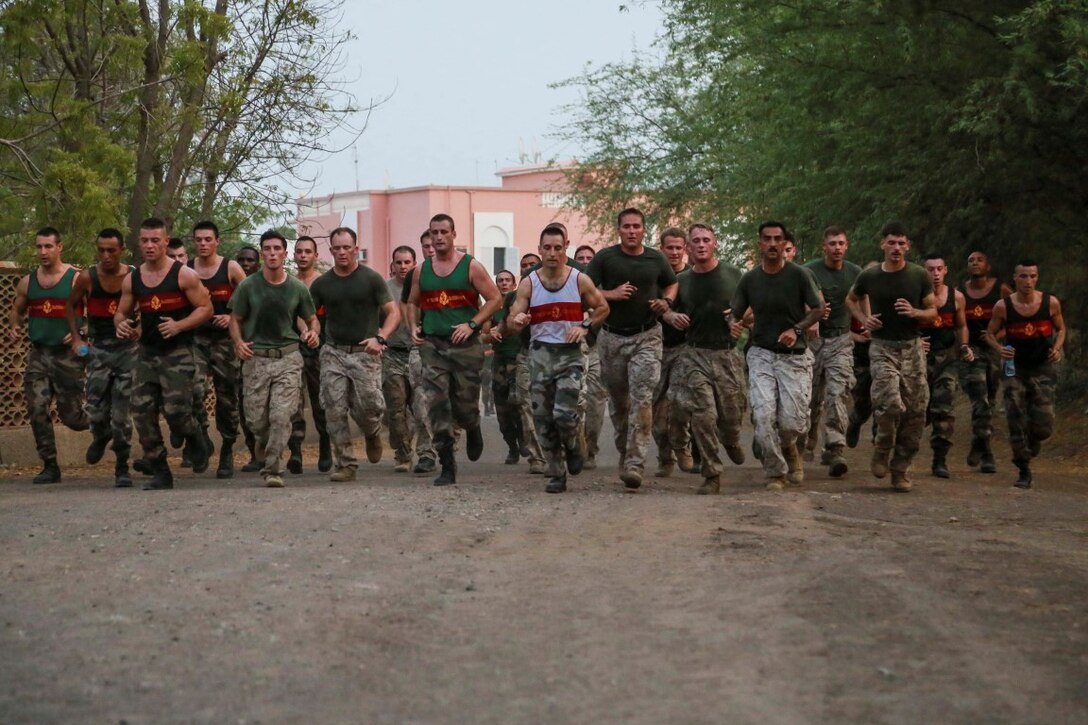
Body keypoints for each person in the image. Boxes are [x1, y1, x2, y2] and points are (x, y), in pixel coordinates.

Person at [504, 225, 609, 492]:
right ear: (540, 250)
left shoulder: (578, 279)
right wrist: (518, 320)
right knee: (542, 416)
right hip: (539, 354)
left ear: (565, 250)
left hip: (570, 353)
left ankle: (573, 445)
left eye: (558, 248)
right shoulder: (530, 282)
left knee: (564, 414)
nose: (552, 253)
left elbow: (602, 307)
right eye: (547, 248)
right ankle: (556, 471)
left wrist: (585, 325)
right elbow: (512, 320)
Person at [114, 217, 213, 489]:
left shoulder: (183, 275)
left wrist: (179, 325)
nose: (149, 246)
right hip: (147, 354)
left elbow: (206, 308)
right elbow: (121, 312)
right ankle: (160, 470)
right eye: (144, 241)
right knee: (142, 413)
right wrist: (122, 325)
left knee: (177, 412)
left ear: (165, 242)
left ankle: (196, 438)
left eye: (155, 240)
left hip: (178, 353)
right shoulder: (133, 279)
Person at [407, 213, 502, 485]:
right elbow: (412, 302)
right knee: (435, 405)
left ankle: (472, 426)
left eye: (443, 232)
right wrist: (414, 325)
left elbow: (495, 299)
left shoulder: (471, 267)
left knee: (464, 405)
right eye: (434, 232)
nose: (438, 237)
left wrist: (472, 324)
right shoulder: (421, 270)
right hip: (434, 347)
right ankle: (447, 465)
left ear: (453, 234)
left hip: (465, 347)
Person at [729, 221, 823, 489]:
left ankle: (791, 449)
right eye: (767, 239)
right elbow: (736, 311)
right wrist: (733, 323)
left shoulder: (799, 275)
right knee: (763, 414)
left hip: (794, 355)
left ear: (784, 244)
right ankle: (775, 472)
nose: (772, 244)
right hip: (761, 353)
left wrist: (797, 329)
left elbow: (818, 308)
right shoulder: (750, 279)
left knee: (793, 421)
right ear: (760, 243)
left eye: (777, 239)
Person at [846, 222, 936, 491]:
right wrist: (864, 319)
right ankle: (882, 447)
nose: (896, 248)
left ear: (907, 246)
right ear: (882, 244)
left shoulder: (919, 275)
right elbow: (850, 299)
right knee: (889, 403)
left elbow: (933, 312)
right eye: (892, 242)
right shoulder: (870, 276)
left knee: (916, 412)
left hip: (912, 347)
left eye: (901, 243)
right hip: (882, 347)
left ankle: (901, 469)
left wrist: (915, 313)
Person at [229, 230, 319, 487]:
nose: (272, 253)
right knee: (257, 420)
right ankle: (262, 442)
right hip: (256, 359)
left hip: (288, 358)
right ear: (262, 254)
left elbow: (312, 319)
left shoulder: (297, 288)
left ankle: (273, 469)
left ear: (285, 253)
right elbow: (235, 319)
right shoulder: (248, 286)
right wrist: (238, 343)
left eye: (277, 249)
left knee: (281, 415)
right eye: (267, 249)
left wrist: (313, 333)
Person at [309, 227, 401, 481]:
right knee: (333, 408)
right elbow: (309, 315)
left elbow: (394, 313)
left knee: (369, 406)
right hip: (333, 352)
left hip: (365, 352)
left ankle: (371, 433)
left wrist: (380, 338)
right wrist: (313, 331)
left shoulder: (371, 279)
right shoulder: (322, 284)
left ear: (355, 249)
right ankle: (346, 464)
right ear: (330, 251)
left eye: (346, 247)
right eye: (336, 248)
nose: (341, 252)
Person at [662, 224, 745, 494]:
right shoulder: (681, 281)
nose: (700, 245)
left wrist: (739, 320)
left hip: (727, 355)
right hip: (694, 354)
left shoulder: (734, 275)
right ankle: (711, 473)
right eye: (695, 241)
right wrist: (672, 316)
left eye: (706, 240)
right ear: (688, 248)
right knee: (704, 416)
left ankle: (731, 440)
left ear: (715, 244)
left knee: (731, 416)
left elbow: (751, 309)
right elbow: (664, 309)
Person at [9, 227, 90, 483]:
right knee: (37, 408)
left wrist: (83, 332)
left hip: (68, 356)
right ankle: (50, 466)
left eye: (48, 246)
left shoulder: (77, 279)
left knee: (72, 418)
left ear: (59, 247)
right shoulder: (28, 282)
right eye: (39, 247)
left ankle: (103, 421)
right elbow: (17, 310)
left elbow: (98, 312)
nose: (43, 252)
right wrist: (14, 326)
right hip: (39, 354)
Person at [65, 228, 137, 486]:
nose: (106, 256)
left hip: (127, 350)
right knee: (95, 410)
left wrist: (139, 330)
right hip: (98, 350)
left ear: (122, 251)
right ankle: (100, 435)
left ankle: (122, 466)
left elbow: (148, 306)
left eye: (112, 250)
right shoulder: (88, 277)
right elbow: (70, 305)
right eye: (101, 250)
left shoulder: (132, 276)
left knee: (121, 413)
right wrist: (76, 338)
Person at [986, 260, 1065, 489]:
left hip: (1042, 368)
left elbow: (1061, 328)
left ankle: (1034, 439)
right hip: (1014, 369)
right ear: (1015, 278)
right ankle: (1023, 468)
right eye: (1023, 276)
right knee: (1015, 415)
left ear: (1037, 278)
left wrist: (1057, 348)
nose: (1027, 281)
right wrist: (999, 348)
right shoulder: (1004, 306)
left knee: (1044, 425)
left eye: (1032, 276)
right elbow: (990, 333)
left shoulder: (1050, 303)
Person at [188, 221, 246, 478]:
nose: (203, 244)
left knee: (227, 398)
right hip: (197, 340)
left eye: (207, 239)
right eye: (198, 239)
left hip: (224, 342)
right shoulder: (186, 269)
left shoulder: (230, 268)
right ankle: (201, 436)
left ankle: (227, 448)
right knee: (194, 389)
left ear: (217, 241)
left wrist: (231, 317)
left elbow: (248, 300)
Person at [803, 226, 862, 477]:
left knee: (838, 392)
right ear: (823, 247)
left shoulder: (855, 273)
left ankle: (835, 447)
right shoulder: (809, 270)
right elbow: (799, 298)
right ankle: (808, 438)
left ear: (846, 246)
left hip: (841, 339)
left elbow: (863, 297)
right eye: (832, 244)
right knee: (811, 398)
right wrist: (811, 316)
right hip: (812, 341)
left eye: (841, 243)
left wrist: (866, 321)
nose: (837, 248)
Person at [918, 254, 973, 478]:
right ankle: (902, 452)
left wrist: (964, 346)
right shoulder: (916, 296)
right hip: (918, 360)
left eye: (939, 269)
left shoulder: (956, 297)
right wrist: (915, 341)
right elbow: (903, 323)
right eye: (931, 270)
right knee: (917, 408)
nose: (936, 274)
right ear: (924, 272)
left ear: (946, 270)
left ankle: (939, 459)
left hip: (947, 359)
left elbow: (962, 326)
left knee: (945, 404)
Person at [958, 250, 1012, 473]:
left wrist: (995, 337)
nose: (975, 263)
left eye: (980, 260)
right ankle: (986, 451)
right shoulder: (960, 292)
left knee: (989, 399)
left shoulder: (1001, 289)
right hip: (971, 351)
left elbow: (1015, 317)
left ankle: (980, 445)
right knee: (979, 398)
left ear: (988, 266)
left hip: (992, 351)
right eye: (971, 260)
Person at [288, 235, 332, 473]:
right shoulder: (288, 283)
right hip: (293, 350)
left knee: (320, 402)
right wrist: (303, 331)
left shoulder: (324, 284)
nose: (303, 255)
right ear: (294, 255)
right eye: (299, 251)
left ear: (316, 255)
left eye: (308, 251)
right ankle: (295, 450)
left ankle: (325, 444)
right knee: (293, 402)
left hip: (320, 351)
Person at [652, 227, 693, 476]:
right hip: (655, 348)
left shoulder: (692, 276)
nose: (675, 252)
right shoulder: (654, 277)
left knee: (679, 405)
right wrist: (667, 313)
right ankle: (664, 456)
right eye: (670, 248)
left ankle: (683, 449)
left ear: (685, 249)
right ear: (662, 249)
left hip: (685, 349)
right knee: (656, 411)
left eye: (679, 247)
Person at [383, 245, 426, 473]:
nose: (403, 267)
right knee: (396, 408)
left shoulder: (422, 287)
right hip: (393, 353)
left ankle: (425, 452)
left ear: (414, 263)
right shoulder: (384, 289)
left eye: (407, 262)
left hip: (418, 353)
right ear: (393, 265)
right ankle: (403, 454)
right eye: (398, 262)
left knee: (420, 407)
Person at [400, 230, 438, 474]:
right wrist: (413, 326)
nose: (431, 249)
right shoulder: (417, 275)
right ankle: (426, 453)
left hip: (452, 346)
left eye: (434, 244)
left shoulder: (461, 270)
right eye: (426, 245)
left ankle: (452, 435)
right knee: (421, 398)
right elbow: (408, 303)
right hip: (422, 345)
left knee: (453, 400)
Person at [483, 269, 525, 464]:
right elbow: (482, 335)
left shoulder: (522, 303)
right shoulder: (492, 307)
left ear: (514, 284)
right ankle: (512, 447)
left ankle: (525, 439)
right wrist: (491, 334)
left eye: (508, 280)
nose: (504, 283)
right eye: (500, 280)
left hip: (520, 359)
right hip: (499, 361)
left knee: (519, 402)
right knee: (502, 410)